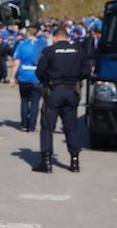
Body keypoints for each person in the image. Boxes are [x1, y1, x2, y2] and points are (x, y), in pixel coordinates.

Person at [32, 27, 92, 173]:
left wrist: (48, 80)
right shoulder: (78, 51)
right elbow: (86, 71)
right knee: (71, 126)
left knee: (47, 126)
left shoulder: (49, 51)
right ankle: (75, 161)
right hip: (72, 91)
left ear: (55, 38)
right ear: (67, 37)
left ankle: (46, 162)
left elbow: (39, 72)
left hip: (54, 91)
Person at [8, 27, 46, 132]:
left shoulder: (21, 45)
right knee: (35, 102)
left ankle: (24, 124)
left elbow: (16, 63)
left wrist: (12, 78)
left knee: (24, 100)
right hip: (37, 77)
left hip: (24, 76)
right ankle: (32, 126)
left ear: (28, 34)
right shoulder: (42, 45)